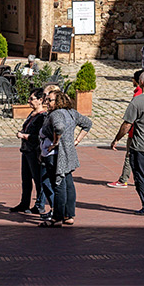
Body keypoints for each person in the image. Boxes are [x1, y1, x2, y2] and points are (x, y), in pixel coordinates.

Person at [106, 70, 144, 215]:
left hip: (141, 145)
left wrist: (116, 139)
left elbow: (127, 124)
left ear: (140, 83)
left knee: (141, 176)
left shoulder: (138, 101)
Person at [44, 89, 92, 227]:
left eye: (50, 100)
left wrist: (55, 142)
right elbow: (87, 124)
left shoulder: (57, 114)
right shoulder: (72, 112)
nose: (47, 102)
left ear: (58, 101)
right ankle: (69, 215)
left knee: (59, 185)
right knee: (69, 184)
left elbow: (59, 128)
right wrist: (76, 141)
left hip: (58, 155)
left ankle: (57, 217)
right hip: (69, 152)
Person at [9, 86, 50, 215]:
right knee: (26, 179)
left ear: (40, 100)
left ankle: (39, 204)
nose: (29, 101)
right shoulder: (32, 114)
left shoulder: (43, 117)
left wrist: (24, 136)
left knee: (38, 179)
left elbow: (40, 137)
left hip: (35, 152)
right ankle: (24, 202)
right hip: (26, 150)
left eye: (32, 99)